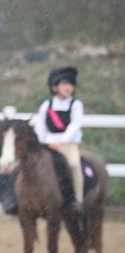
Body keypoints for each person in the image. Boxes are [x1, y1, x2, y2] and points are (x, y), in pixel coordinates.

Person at [33, 66, 85, 214]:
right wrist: (43, 142)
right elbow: (41, 125)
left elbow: (75, 124)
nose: (68, 87)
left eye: (70, 84)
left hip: (67, 144)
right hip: (48, 144)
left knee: (74, 165)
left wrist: (62, 141)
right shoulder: (47, 105)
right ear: (54, 87)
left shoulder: (76, 105)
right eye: (63, 84)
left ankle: (78, 200)